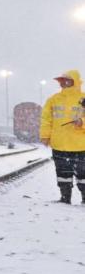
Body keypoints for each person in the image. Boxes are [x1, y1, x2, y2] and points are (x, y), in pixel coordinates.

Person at [39, 70, 85, 204]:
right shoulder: (53, 99)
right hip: (59, 144)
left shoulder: (83, 98)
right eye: (62, 80)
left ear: (75, 81)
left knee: (83, 175)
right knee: (63, 174)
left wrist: (82, 122)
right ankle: (65, 198)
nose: (63, 83)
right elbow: (46, 119)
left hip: (80, 145)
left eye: (67, 80)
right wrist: (45, 135)